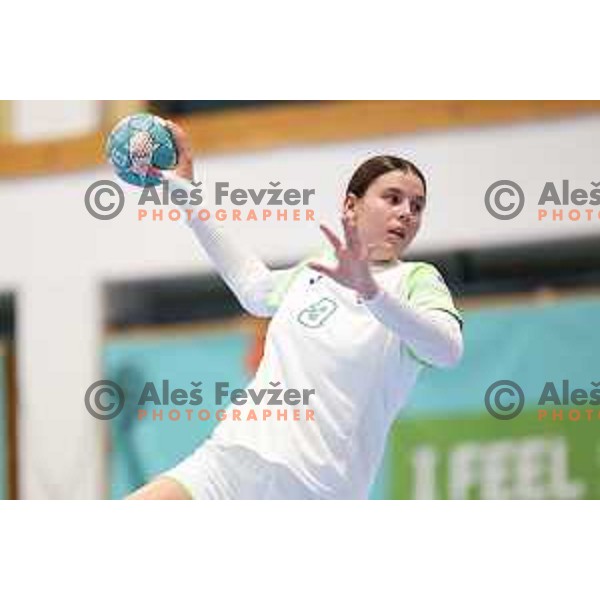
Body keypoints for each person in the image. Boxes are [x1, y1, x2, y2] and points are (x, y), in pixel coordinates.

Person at [127, 122, 463, 500]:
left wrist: (372, 293)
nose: (407, 213)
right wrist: (188, 198)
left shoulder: (415, 280)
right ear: (351, 204)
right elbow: (254, 288)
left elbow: (448, 349)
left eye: (417, 206)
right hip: (234, 458)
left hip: (316, 490)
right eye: (393, 198)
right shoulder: (315, 270)